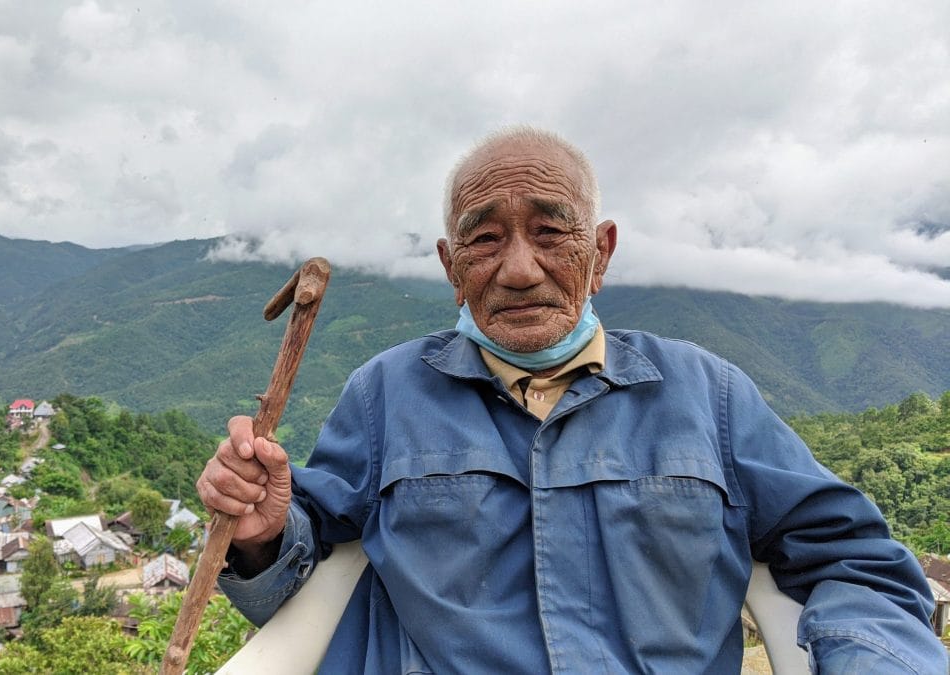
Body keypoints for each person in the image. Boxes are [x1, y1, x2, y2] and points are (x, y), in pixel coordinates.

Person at [197, 127, 946, 673]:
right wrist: (262, 531)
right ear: (451, 268)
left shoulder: (707, 395)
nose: (520, 269)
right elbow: (305, 562)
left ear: (601, 252)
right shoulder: (386, 394)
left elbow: (857, 561)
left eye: (552, 231)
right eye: (485, 240)